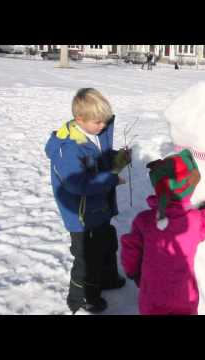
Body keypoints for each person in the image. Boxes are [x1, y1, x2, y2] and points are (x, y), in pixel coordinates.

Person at [45, 88, 132, 314]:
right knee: (87, 258)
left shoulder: (94, 133)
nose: (102, 126)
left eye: (105, 121)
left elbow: (100, 160)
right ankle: (82, 297)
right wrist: (110, 179)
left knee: (107, 242)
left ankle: (107, 278)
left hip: (99, 208)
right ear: (79, 119)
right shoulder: (69, 149)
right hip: (81, 215)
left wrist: (117, 159)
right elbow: (79, 184)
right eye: (97, 122)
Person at [120, 149, 205, 315]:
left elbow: (130, 248)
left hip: (151, 295)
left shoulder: (144, 220)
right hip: (184, 296)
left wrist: (133, 271)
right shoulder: (194, 219)